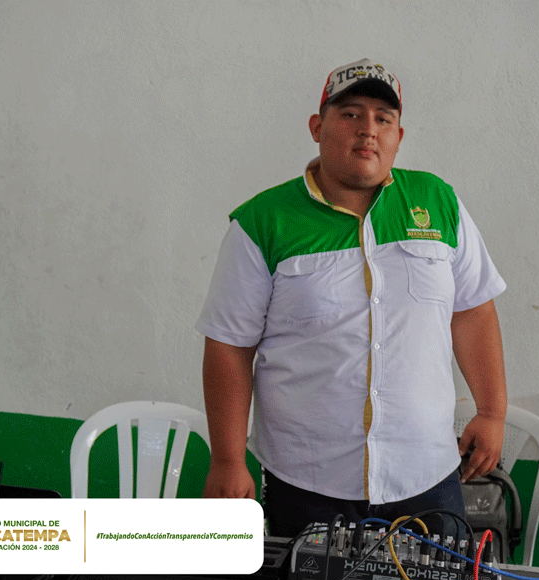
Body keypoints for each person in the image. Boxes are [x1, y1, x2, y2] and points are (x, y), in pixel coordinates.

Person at [196, 58, 508, 538]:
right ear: (317, 127)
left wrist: (491, 412)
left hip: (426, 474)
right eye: (350, 114)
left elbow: (473, 312)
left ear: (398, 136)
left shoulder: (439, 202)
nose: (368, 129)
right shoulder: (263, 221)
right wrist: (227, 459)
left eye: (384, 118)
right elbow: (229, 347)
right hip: (308, 479)